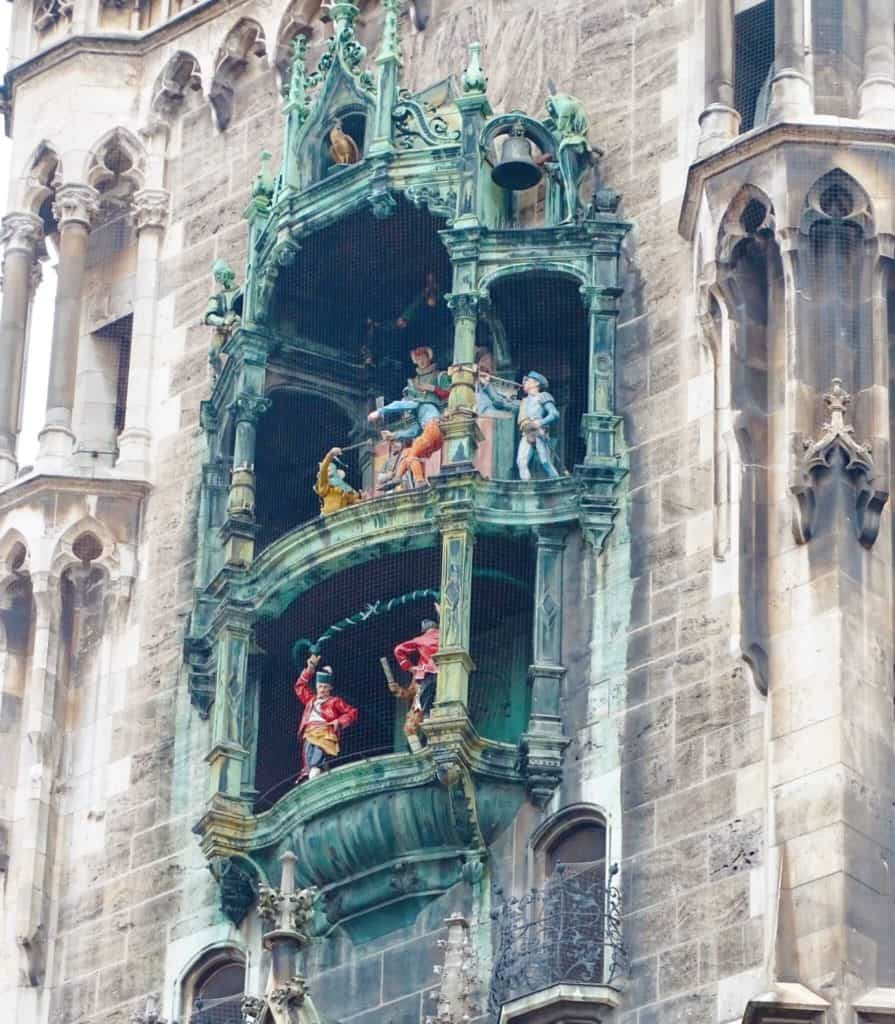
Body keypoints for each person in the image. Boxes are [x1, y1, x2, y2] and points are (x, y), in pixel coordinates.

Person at [482, 371, 561, 480]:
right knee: (521, 462)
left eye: (527, 380)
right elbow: (500, 403)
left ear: (536, 383)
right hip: (527, 433)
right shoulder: (523, 402)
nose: (524, 382)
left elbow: (554, 414)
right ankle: (526, 485)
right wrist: (487, 385)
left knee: (545, 461)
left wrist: (540, 422)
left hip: (539, 432)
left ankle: (556, 482)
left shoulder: (543, 396)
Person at [294, 654, 358, 781]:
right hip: (309, 733)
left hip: (324, 732)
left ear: (330, 688)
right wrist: (310, 669)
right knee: (308, 759)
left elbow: (352, 712)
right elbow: (300, 686)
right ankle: (309, 773)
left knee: (317, 760)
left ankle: (316, 772)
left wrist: (339, 721)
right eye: (320, 687)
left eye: (325, 687)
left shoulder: (335, 701)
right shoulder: (310, 700)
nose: (322, 690)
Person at [368, 389, 444, 489]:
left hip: (433, 428)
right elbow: (414, 431)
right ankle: (398, 477)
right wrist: (394, 435)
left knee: (412, 455)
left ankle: (420, 481)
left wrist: (380, 411)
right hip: (437, 438)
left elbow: (399, 405)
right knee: (408, 453)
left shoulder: (420, 403)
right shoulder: (422, 414)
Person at [388, 614, 440, 750]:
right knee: (411, 728)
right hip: (424, 700)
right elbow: (411, 693)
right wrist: (398, 690)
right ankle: (419, 753)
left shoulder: (421, 667)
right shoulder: (420, 670)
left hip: (428, 700)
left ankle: (421, 752)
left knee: (417, 727)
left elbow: (399, 649)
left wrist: (408, 667)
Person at [315, 447, 364, 515]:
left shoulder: (344, 488)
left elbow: (352, 501)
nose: (328, 472)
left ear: (337, 472)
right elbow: (324, 469)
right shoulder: (324, 486)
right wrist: (331, 454)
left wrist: (363, 499)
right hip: (330, 517)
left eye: (330, 470)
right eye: (327, 471)